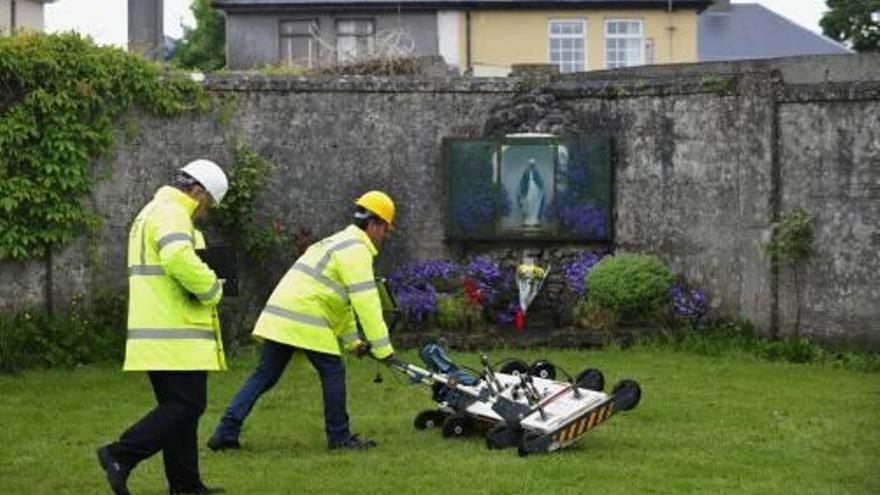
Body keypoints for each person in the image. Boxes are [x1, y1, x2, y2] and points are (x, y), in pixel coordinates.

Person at [207, 191, 397, 452]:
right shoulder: (356, 250)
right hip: (306, 317)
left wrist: (353, 343)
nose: (384, 237)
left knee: (264, 376)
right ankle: (340, 438)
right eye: (386, 230)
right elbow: (366, 303)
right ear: (376, 225)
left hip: (282, 315)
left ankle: (225, 433)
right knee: (333, 372)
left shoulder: (335, 242)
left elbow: (339, 303)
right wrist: (384, 349)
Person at [96, 160, 229, 495]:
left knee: (180, 413)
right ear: (197, 192)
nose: (205, 212)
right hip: (176, 333)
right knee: (188, 406)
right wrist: (213, 288)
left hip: (160, 333)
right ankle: (119, 455)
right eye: (208, 204)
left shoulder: (152, 211)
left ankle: (185, 485)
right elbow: (177, 258)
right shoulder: (172, 213)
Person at [518, 159, 546, 228]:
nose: (531, 165)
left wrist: (541, 187)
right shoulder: (526, 171)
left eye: (532, 164)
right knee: (528, 202)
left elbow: (540, 180)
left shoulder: (536, 171)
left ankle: (534, 219)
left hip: (535, 188)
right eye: (530, 164)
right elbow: (523, 180)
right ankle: (528, 218)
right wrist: (521, 188)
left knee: (535, 203)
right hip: (527, 188)